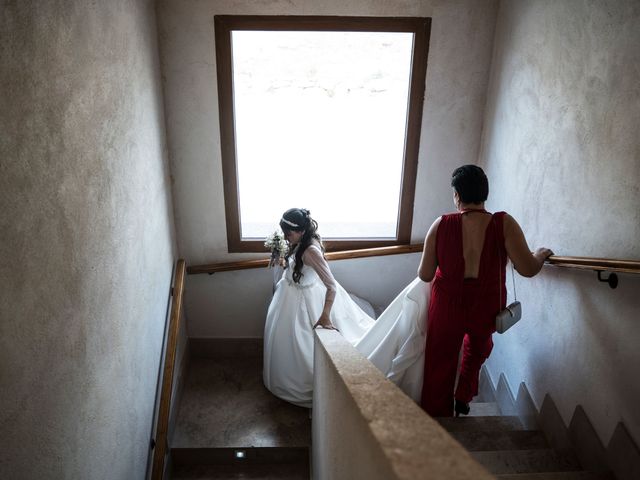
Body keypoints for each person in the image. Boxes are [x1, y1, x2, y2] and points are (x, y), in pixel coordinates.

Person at [417, 165, 553, 417]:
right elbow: (528, 269)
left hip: (447, 305)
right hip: (485, 305)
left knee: (440, 361)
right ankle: (464, 395)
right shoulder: (504, 223)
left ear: (457, 195)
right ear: (485, 194)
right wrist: (540, 254)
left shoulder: (441, 224)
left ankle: (438, 420)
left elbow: (424, 274)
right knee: (477, 349)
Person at [263, 208, 428, 408]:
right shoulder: (298, 243)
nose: (287, 238)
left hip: (305, 303)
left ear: (301, 231)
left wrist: (324, 316)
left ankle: (306, 381)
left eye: (289, 234)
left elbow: (331, 285)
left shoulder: (311, 251)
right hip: (290, 297)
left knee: (305, 344)